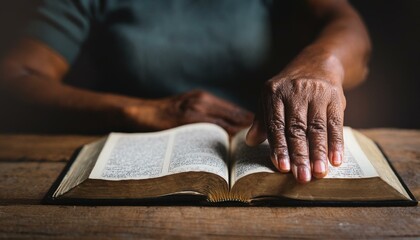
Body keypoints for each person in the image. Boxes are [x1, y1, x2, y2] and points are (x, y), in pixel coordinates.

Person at [0, 0, 371, 183]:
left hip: (256, 152)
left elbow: (345, 22)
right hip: (135, 159)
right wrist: (138, 110)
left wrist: (323, 63)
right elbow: (15, 77)